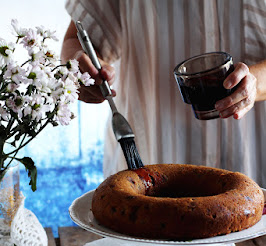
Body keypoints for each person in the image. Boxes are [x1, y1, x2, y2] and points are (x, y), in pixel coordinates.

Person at [61, 0, 266, 186]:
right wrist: (79, 67)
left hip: (254, 171)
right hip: (145, 174)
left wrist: (255, 84)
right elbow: (74, 40)